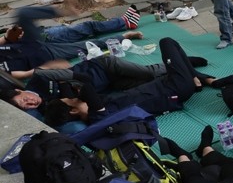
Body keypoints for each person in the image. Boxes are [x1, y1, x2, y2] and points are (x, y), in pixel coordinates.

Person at [41, 37, 208, 127]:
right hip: (176, 88)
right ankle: (195, 76)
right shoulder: (97, 115)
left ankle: (196, 76)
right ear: (73, 111)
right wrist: (58, 73)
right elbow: (85, 82)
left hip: (165, 85)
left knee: (144, 75)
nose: (72, 96)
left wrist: (64, 90)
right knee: (167, 42)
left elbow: (77, 91)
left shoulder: (94, 111)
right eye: (70, 99)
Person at [0, 5, 142, 73]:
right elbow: (16, 77)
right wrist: (45, 68)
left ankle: (123, 22)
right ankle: (123, 35)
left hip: (28, 41)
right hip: (41, 56)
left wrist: (7, 37)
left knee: (83, 28)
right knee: (88, 45)